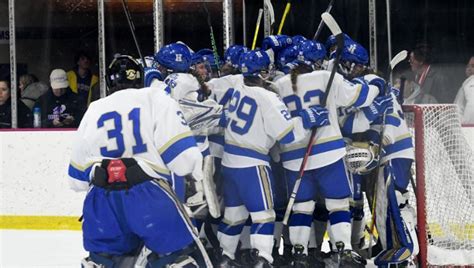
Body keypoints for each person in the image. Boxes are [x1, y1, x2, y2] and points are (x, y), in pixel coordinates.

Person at [68, 55, 212, 267]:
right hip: (149, 196)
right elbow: (184, 160)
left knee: (104, 260)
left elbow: (76, 180)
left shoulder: (94, 109)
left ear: (109, 82)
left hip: (102, 200)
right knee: (174, 257)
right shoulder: (157, 99)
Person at [271, 39, 383, 267]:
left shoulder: (278, 85)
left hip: (293, 158)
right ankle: (343, 250)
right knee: (338, 204)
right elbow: (358, 97)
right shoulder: (326, 77)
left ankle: (299, 254)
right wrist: (377, 86)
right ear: (315, 61)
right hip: (329, 154)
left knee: (302, 208)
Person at [216, 49, 318, 267]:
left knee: (233, 215)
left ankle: (225, 257)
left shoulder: (236, 89)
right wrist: (306, 120)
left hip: (229, 162)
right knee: (264, 215)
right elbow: (287, 135)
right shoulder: (268, 97)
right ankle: (263, 259)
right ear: (262, 72)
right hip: (252, 164)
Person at [454, 56, 474, 124]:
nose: (469, 69)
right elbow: (457, 110)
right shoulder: (465, 85)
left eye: (473, 66)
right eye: (468, 66)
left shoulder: (468, 84)